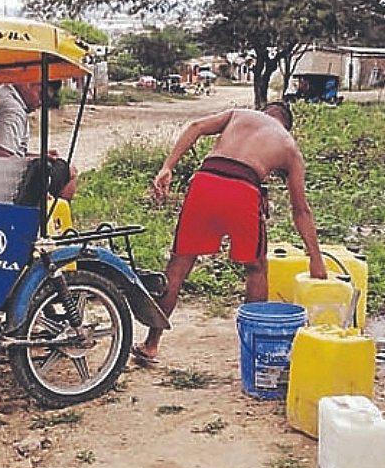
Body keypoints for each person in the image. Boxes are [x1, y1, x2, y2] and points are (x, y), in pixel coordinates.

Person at [132, 102, 327, 366]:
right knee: (256, 269)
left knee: (179, 265)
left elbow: (196, 127)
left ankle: (151, 344)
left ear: (264, 112)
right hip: (243, 192)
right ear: (286, 125)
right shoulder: (288, 146)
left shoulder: (240, 114)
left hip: (205, 183)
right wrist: (316, 259)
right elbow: (301, 210)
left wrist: (167, 166)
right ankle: (253, 352)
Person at [0, 82, 77, 199]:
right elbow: (2, 160)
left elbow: (10, 152)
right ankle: (48, 209)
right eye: (41, 95)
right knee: (69, 170)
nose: (41, 102)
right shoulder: (12, 110)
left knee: (55, 166)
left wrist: (39, 156)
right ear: (28, 84)